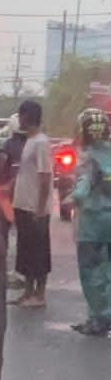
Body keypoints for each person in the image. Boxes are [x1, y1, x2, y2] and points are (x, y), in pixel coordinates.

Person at [70, 109, 111, 336]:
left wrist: (71, 198)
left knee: (90, 273)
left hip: (92, 227)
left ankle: (94, 319)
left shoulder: (88, 159)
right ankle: (105, 316)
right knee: (109, 272)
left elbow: (81, 191)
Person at [10, 101, 53, 308]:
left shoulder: (41, 143)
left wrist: (40, 209)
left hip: (35, 209)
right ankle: (27, 292)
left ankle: (40, 294)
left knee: (39, 252)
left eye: (21, 114)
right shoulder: (30, 140)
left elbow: (45, 178)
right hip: (23, 206)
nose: (19, 118)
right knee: (25, 250)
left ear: (28, 116)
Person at [0, 114, 27, 292]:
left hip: (6, 198)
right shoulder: (32, 144)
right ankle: (21, 274)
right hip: (26, 199)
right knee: (24, 237)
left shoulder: (7, 146)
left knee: (5, 233)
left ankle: (6, 269)